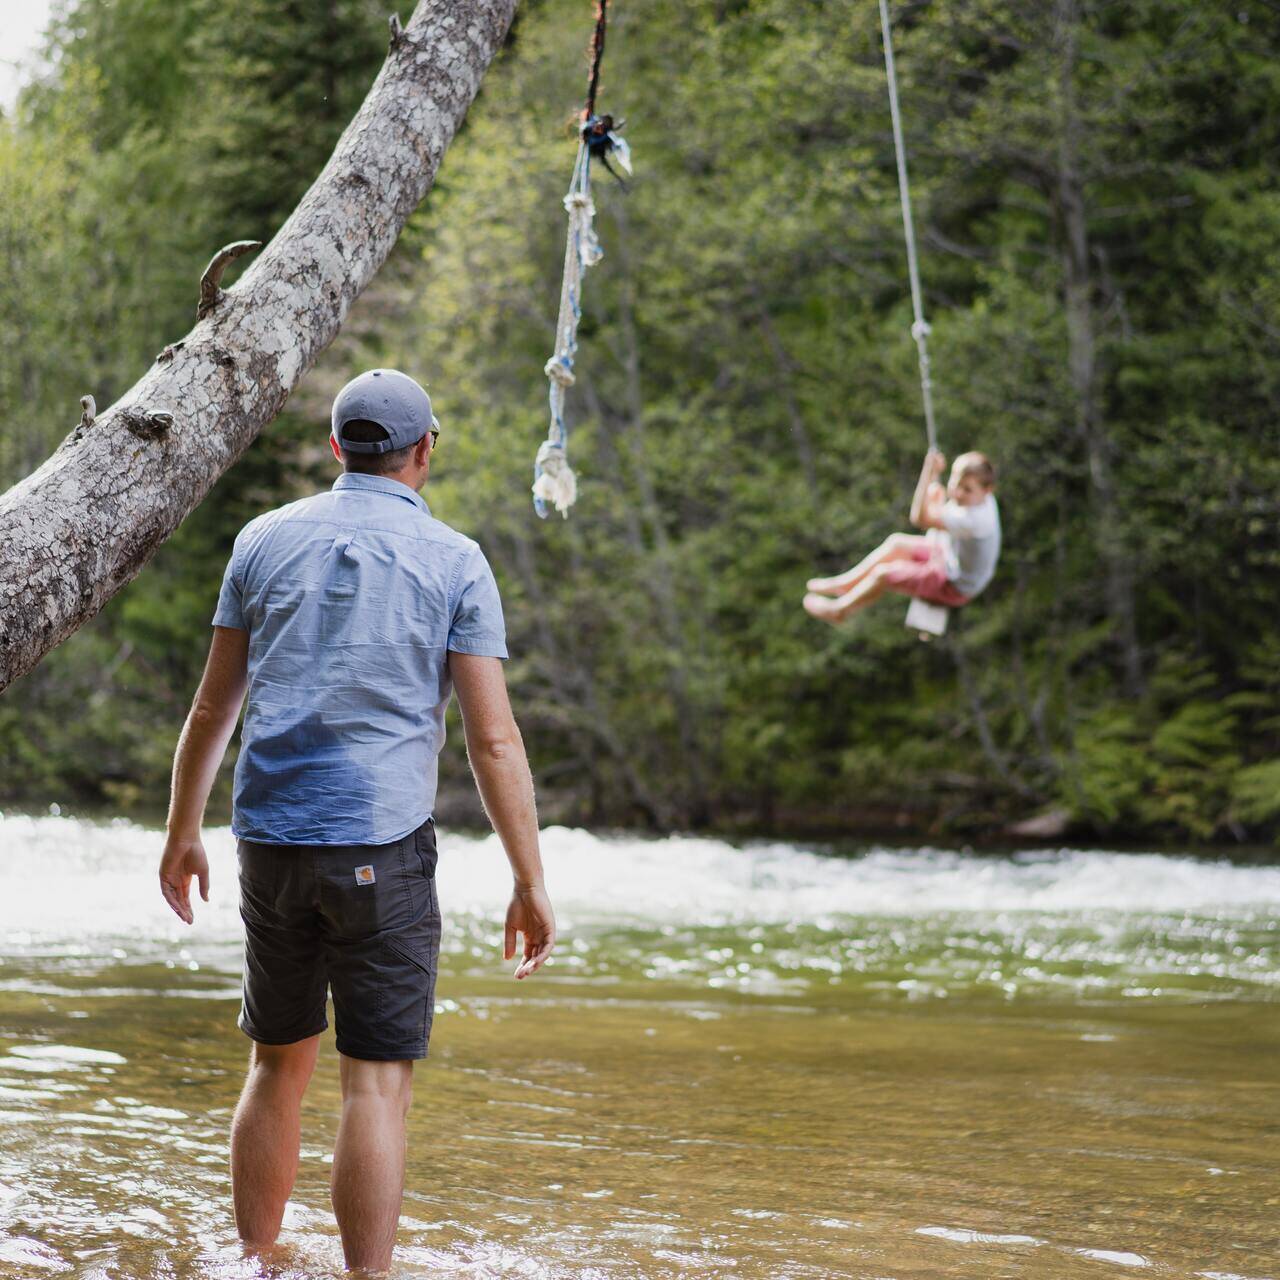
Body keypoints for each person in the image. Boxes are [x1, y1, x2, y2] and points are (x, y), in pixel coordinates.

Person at [156, 368, 556, 1273]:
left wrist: (182, 830)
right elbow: (493, 744)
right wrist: (529, 881)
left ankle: (256, 1261)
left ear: (338, 448)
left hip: (269, 841)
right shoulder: (456, 560)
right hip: (383, 846)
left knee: (274, 1064)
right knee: (373, 1087)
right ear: (424, 451)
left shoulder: (260, 542)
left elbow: (213, 710)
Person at [803, 449, 1001, 624]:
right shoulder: (982, 500)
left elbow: (919, 518)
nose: (957, 492)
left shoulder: (975, 521)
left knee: (884, 574)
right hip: (949, 556)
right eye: (955, 482)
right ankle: (844, 584)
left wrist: (929, 472)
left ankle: (839, 611)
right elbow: (938, 515)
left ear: (987, 490)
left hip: (955, 585)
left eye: (967, 489)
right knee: (896, 543)